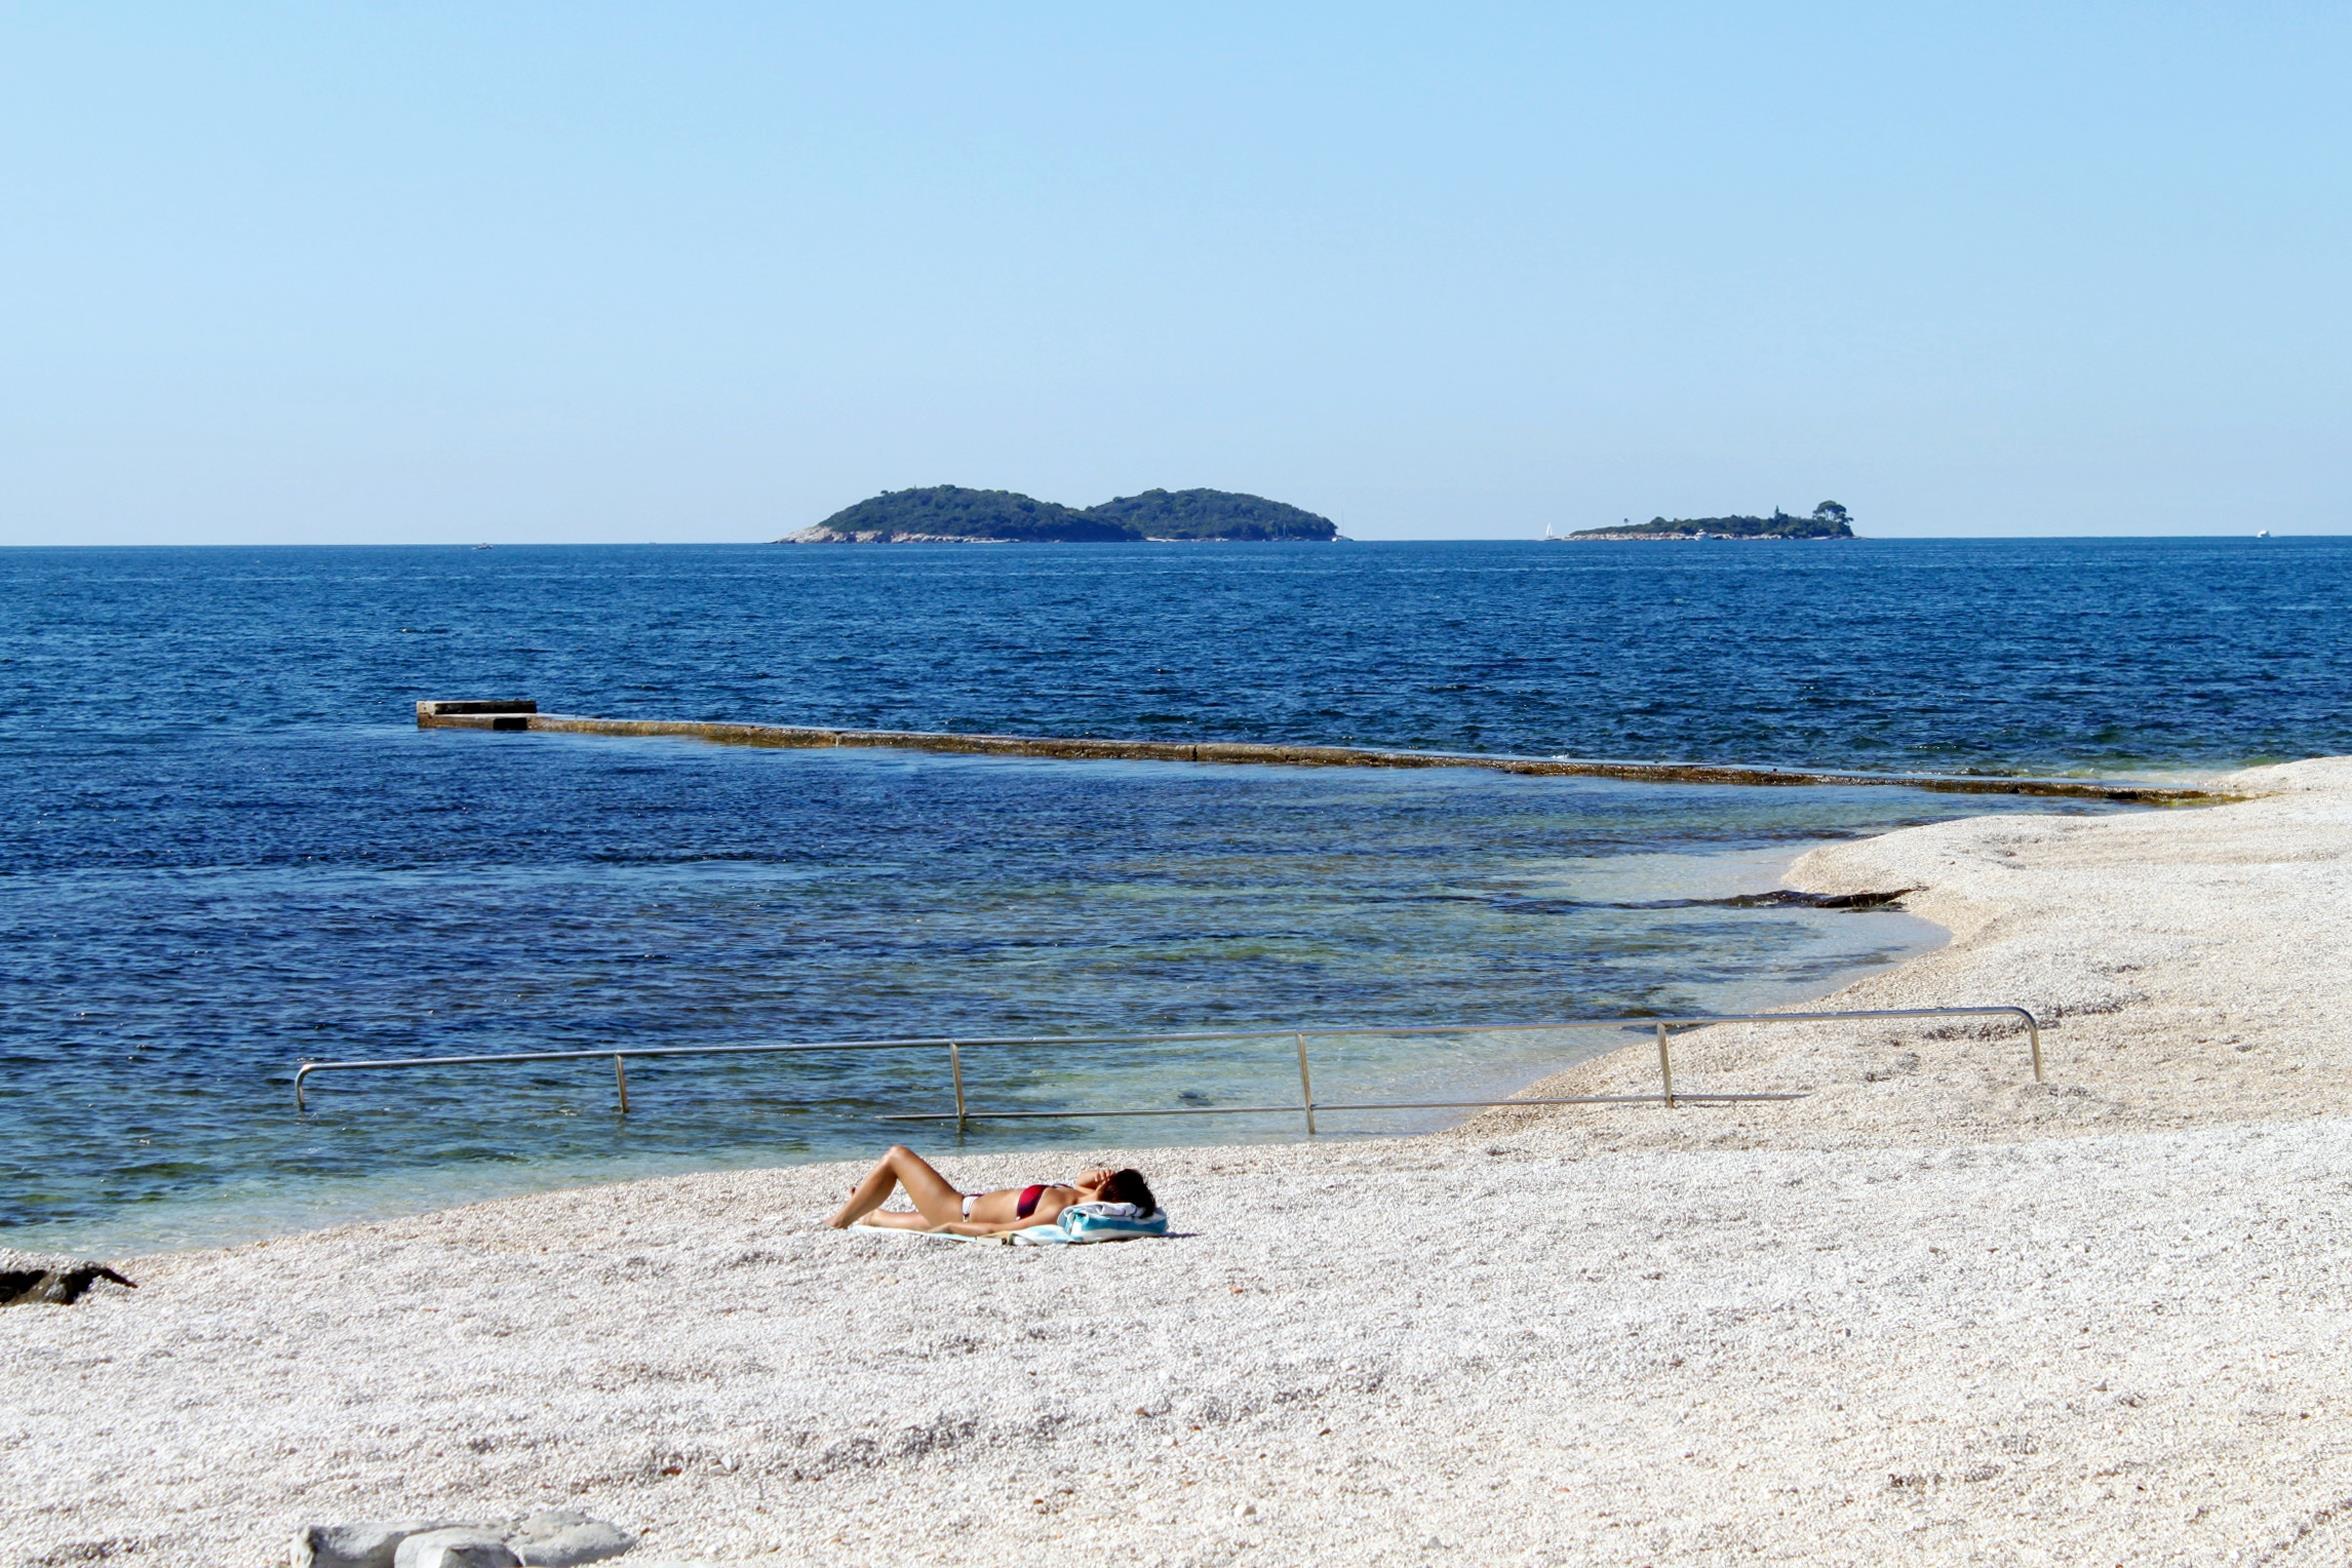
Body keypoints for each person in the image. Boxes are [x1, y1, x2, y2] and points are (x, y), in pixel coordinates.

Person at [826, 1144, 1157, 1235]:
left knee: (897, 1156)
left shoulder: (1062, 1209)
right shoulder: (1081, 1196)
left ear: (1111, 1189)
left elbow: (1003, 1229)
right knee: (878, 1218)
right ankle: (868, 1213)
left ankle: (838, 1221)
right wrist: (1096, 1175)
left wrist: (950, 1228)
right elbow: (1081, 1179)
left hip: (959, 1212)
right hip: (967, 1204)